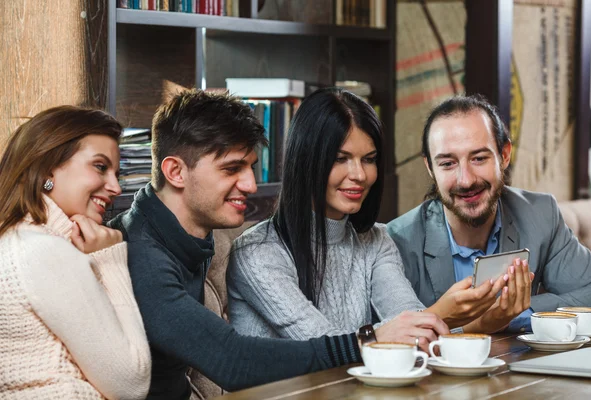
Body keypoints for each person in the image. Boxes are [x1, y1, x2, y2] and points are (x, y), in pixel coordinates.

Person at [108, 89, 449, 400]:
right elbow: (234, 361)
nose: (252, 184)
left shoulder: (186, 237)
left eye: (251, 167)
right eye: (232, 169)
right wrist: (369, 339)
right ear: (176, 172)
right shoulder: (142, 254)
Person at [226, 88, 521, 341]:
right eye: (341, 159)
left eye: (368, 159)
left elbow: (410, 325)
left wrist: (478, 323)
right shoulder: (258, 252)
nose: (359, 175)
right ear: (307, 161)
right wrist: (438, 315)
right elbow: (323, 346)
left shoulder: (375, 240)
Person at [387, 95, 591, 333]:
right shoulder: (397, 241)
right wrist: (482, 323)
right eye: (447, 163)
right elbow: (392, 337)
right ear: (430, 168)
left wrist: (516, 313)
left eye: (479, 158)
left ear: (504, 155)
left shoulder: (540, 214)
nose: (465, 180)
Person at [0, 106, 151, 399]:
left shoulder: (16, 240)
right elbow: (131, 385)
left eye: (117, 174)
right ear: (46, 170)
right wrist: (111, 262)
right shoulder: (44, 252)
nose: (116, 187)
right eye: (99, 166)